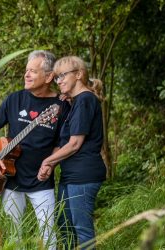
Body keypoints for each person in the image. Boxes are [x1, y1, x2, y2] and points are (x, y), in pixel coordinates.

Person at [0, 50, 70, 249]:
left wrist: (52, 163)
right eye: (26, 70)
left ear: (49, 77)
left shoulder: (61, 105)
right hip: (10, 180)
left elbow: (61, 143)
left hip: (41, 181)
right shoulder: (14, 99)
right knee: (14, 237)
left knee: (49, 236)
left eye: (32, 71)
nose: (26, 75)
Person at [37, 55, 107, 249]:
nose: (58, 81)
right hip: (71, 175)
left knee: (82, 229)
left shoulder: (85, 100)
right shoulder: (76, 102)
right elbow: (66, 137)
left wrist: (47, 162)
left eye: (62, 76)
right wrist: (67, 103)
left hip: (84, 174)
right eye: (57, 77)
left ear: (78, 74)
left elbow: (75, 143)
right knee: (65, 226)